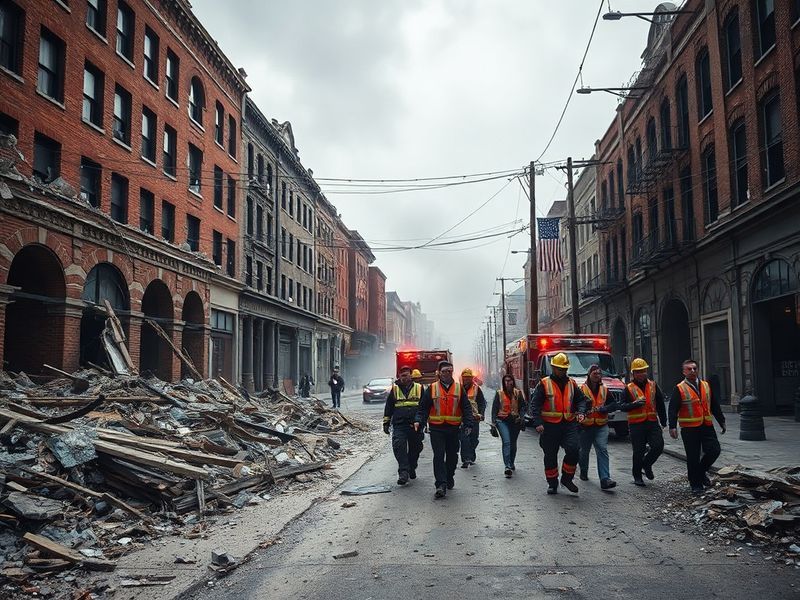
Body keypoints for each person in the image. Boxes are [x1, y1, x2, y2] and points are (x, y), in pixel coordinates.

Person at [528, 352, 588, 494]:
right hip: (549, 426)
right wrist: (538, 423)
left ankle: (567, 479)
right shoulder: (544, 383)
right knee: (550, 455)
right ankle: (552, 483)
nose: (563, 371)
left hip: (568, 424)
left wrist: (580, 411)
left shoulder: (572, 383)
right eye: (560, 369)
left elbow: (581, 400)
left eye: (565, 369)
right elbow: (535, 405)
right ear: (553, 368)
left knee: (574, 450)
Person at [414, 360, 474, 499]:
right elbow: (423, 408)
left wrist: (468, 423)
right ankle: (440, 484)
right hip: (437, 429)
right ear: (439, 373)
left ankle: (449, 476)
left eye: (450, 371)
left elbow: (466, 408)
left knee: (452, 456)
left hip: (453, 429)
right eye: (445, 371)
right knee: (439, 456)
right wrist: (418, 421)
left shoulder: (459, 389)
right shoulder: (432, 388)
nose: (448, 373)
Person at [669, 358, 726, 494]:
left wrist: (721, 420)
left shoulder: (706, 385)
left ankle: (700, 472)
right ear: (684, 372)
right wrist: (672, 426)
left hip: (706, 425)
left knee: (714, 450)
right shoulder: (680, 388)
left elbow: (714, 404)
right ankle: (696, 485)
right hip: (689, 428)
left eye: (695, 368)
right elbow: (673, 408)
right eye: (689, 369)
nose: (693, 371)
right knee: (693, 456)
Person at [619, 358, 667, 486]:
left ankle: (646, 464)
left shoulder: (653, 385)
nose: (641, 374)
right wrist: (634, 404)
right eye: (638, 372)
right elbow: (622, 406)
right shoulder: (628, 388)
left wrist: (664, 421)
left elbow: (660, 404)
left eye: (643, 371)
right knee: (638, 451)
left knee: (658, 446)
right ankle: (637, 476)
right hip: (636, 424)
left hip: (651, 422)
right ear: (633, 373)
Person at [383, 366, 425, 485]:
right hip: (399, 424)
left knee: (415, 448)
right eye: (401, 375)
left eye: (406, 375)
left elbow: (424, 407)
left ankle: (412, 467)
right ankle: (403, 472)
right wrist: (386, 422)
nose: (403, 377)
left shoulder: (419, 388)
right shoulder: (394, 389)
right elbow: (389, 407)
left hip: (415, 425)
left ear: (411, 376)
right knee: (399, 447)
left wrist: (422, 421)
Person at [578, 364, 617, 490]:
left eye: (599, 373)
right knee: (584, 452)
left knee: (602, 449)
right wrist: (583, 412)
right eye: (595, 373)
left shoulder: (605, 389)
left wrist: (604, 409)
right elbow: (576, 405)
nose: (597, 376)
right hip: (586, 426)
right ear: (589, 375)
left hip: (601, 425)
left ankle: (605, 479)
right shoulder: (581, 389)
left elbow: (613, 404)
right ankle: (583, 471)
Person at [491, 374, 526, 478]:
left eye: (509, 380)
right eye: (506, 381)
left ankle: (511, 462)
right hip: (502, 421)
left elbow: (523, 406)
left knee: (513, 443)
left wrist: (521, 416)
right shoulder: (499, 393)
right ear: (503, 382)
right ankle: (507, 466)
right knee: (506, 442)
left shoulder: (518, 393)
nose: (508, 383)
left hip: (515, 421)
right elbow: (494, 409)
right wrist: (493, 423)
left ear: (513, 382)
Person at [460, 368, 486, 469]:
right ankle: (466, 459)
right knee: (464, 439)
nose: (466, 380)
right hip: (462, 418)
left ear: (471, 378)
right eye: (464, 378)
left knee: (474, 439)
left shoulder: (476, 389)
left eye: (468, 378)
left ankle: (471, 456)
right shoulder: (458, 389)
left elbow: (482, 403)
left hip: (474, 418)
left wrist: (481, 414)